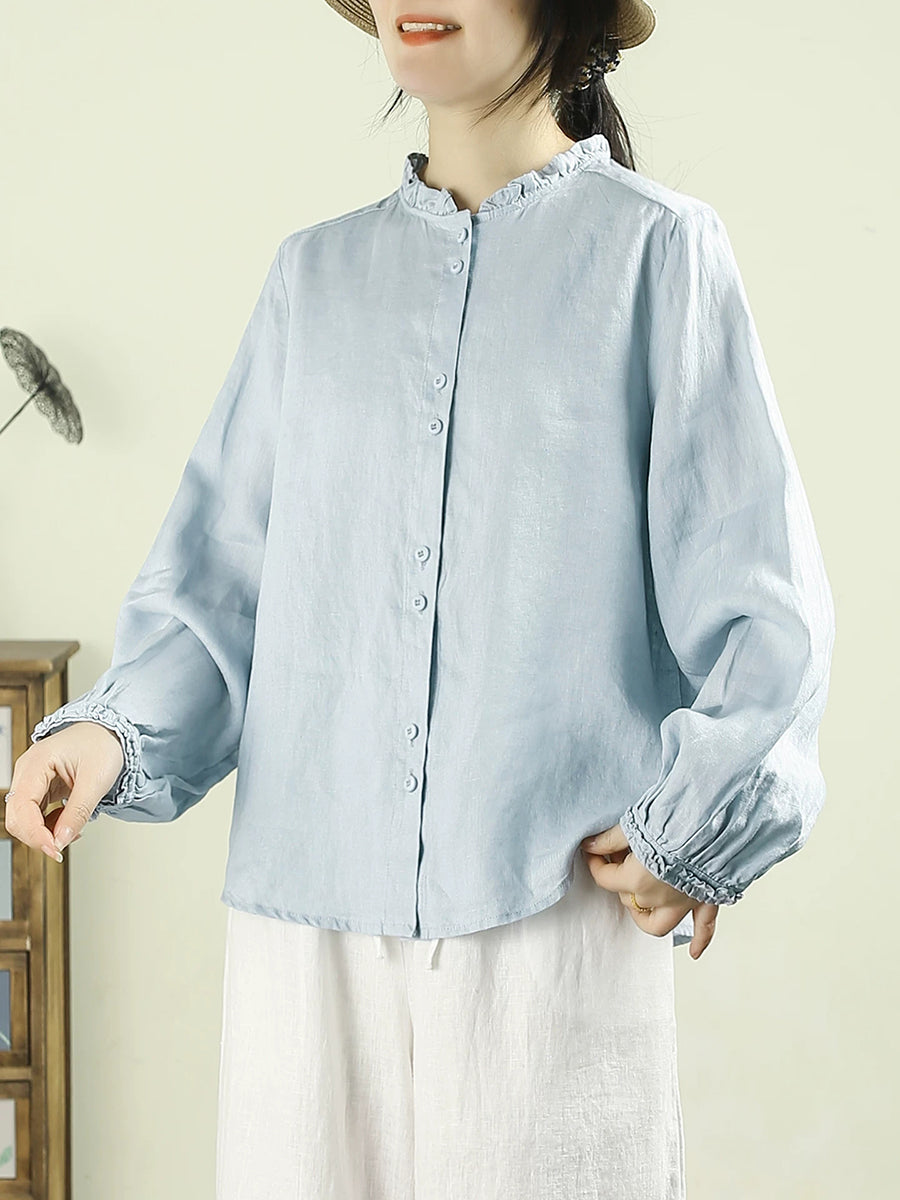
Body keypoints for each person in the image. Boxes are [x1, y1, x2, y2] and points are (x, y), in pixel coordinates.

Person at [5, 2, 836, 1197]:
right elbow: (227, 580)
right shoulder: (314, 278)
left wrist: (698, 827)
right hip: (304, 928)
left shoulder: (659, 255)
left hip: (547, 914)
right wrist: (108, 733)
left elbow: (762, 602)